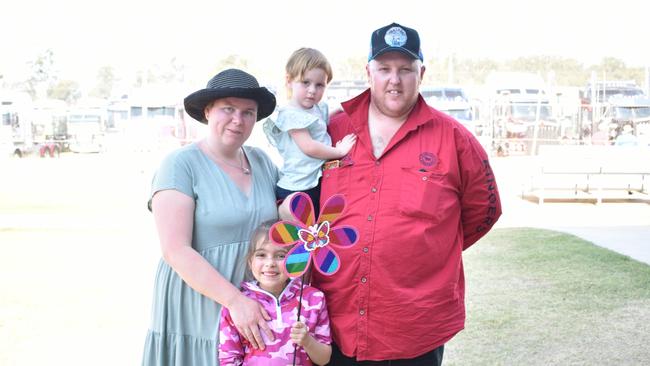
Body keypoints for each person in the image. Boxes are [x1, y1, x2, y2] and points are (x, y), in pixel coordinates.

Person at [312, 23, 502, 365]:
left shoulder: (454, 138)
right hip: (336, 319)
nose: (394, 80)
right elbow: (304, 201)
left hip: (415, 324)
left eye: (405, 70)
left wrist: (428, 249)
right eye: (384, 69)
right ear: (368, 72)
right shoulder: (331, 131)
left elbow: (484, 211)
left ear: (422, 73)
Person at [142, 69, 280, 366]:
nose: (238, 120)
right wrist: (234, 301)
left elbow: (283, 225)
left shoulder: (263, 162)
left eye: (248, 112)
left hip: (251, 305)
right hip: (198, 301)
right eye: (228, 109)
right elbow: (175, 249)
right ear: (207, 111)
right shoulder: (180, 165)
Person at [219, 220, 332, 365]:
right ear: (250, 262)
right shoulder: (239, 305)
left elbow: (324, 359)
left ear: (295, 260)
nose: (270, 263)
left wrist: (307, 341)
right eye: (261, 255)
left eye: (280, 256)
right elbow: (228, 359)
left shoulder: (314, 299)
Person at [263, 47, 356, 218]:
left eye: (319, 85)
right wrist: (339, 152)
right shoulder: (291, 114)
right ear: (289, 80)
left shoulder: (316, 108)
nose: (312, 90)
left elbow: (321, 122)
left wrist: (342, 109)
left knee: (319, 231)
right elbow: (309, 147)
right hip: (297, 187)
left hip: (313, 182)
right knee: (302, 236)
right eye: (305, 82)